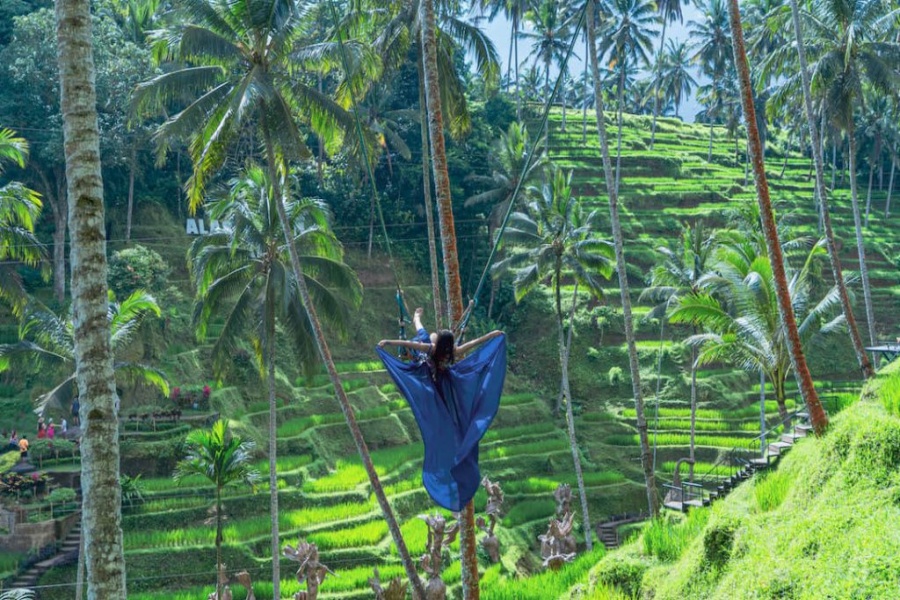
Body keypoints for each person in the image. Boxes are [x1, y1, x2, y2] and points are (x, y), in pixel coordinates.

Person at [376, 308, 506, 512]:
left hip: (433, 386)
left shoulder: (430, 347)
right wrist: (492, 335)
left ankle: (417, 317)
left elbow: (411, 344)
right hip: (445, 385)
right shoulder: (450, 351)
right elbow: (472, 344)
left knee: (421, 335)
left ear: (439, 343)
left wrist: (389, 343)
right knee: (421, 333)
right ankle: (417, 316)